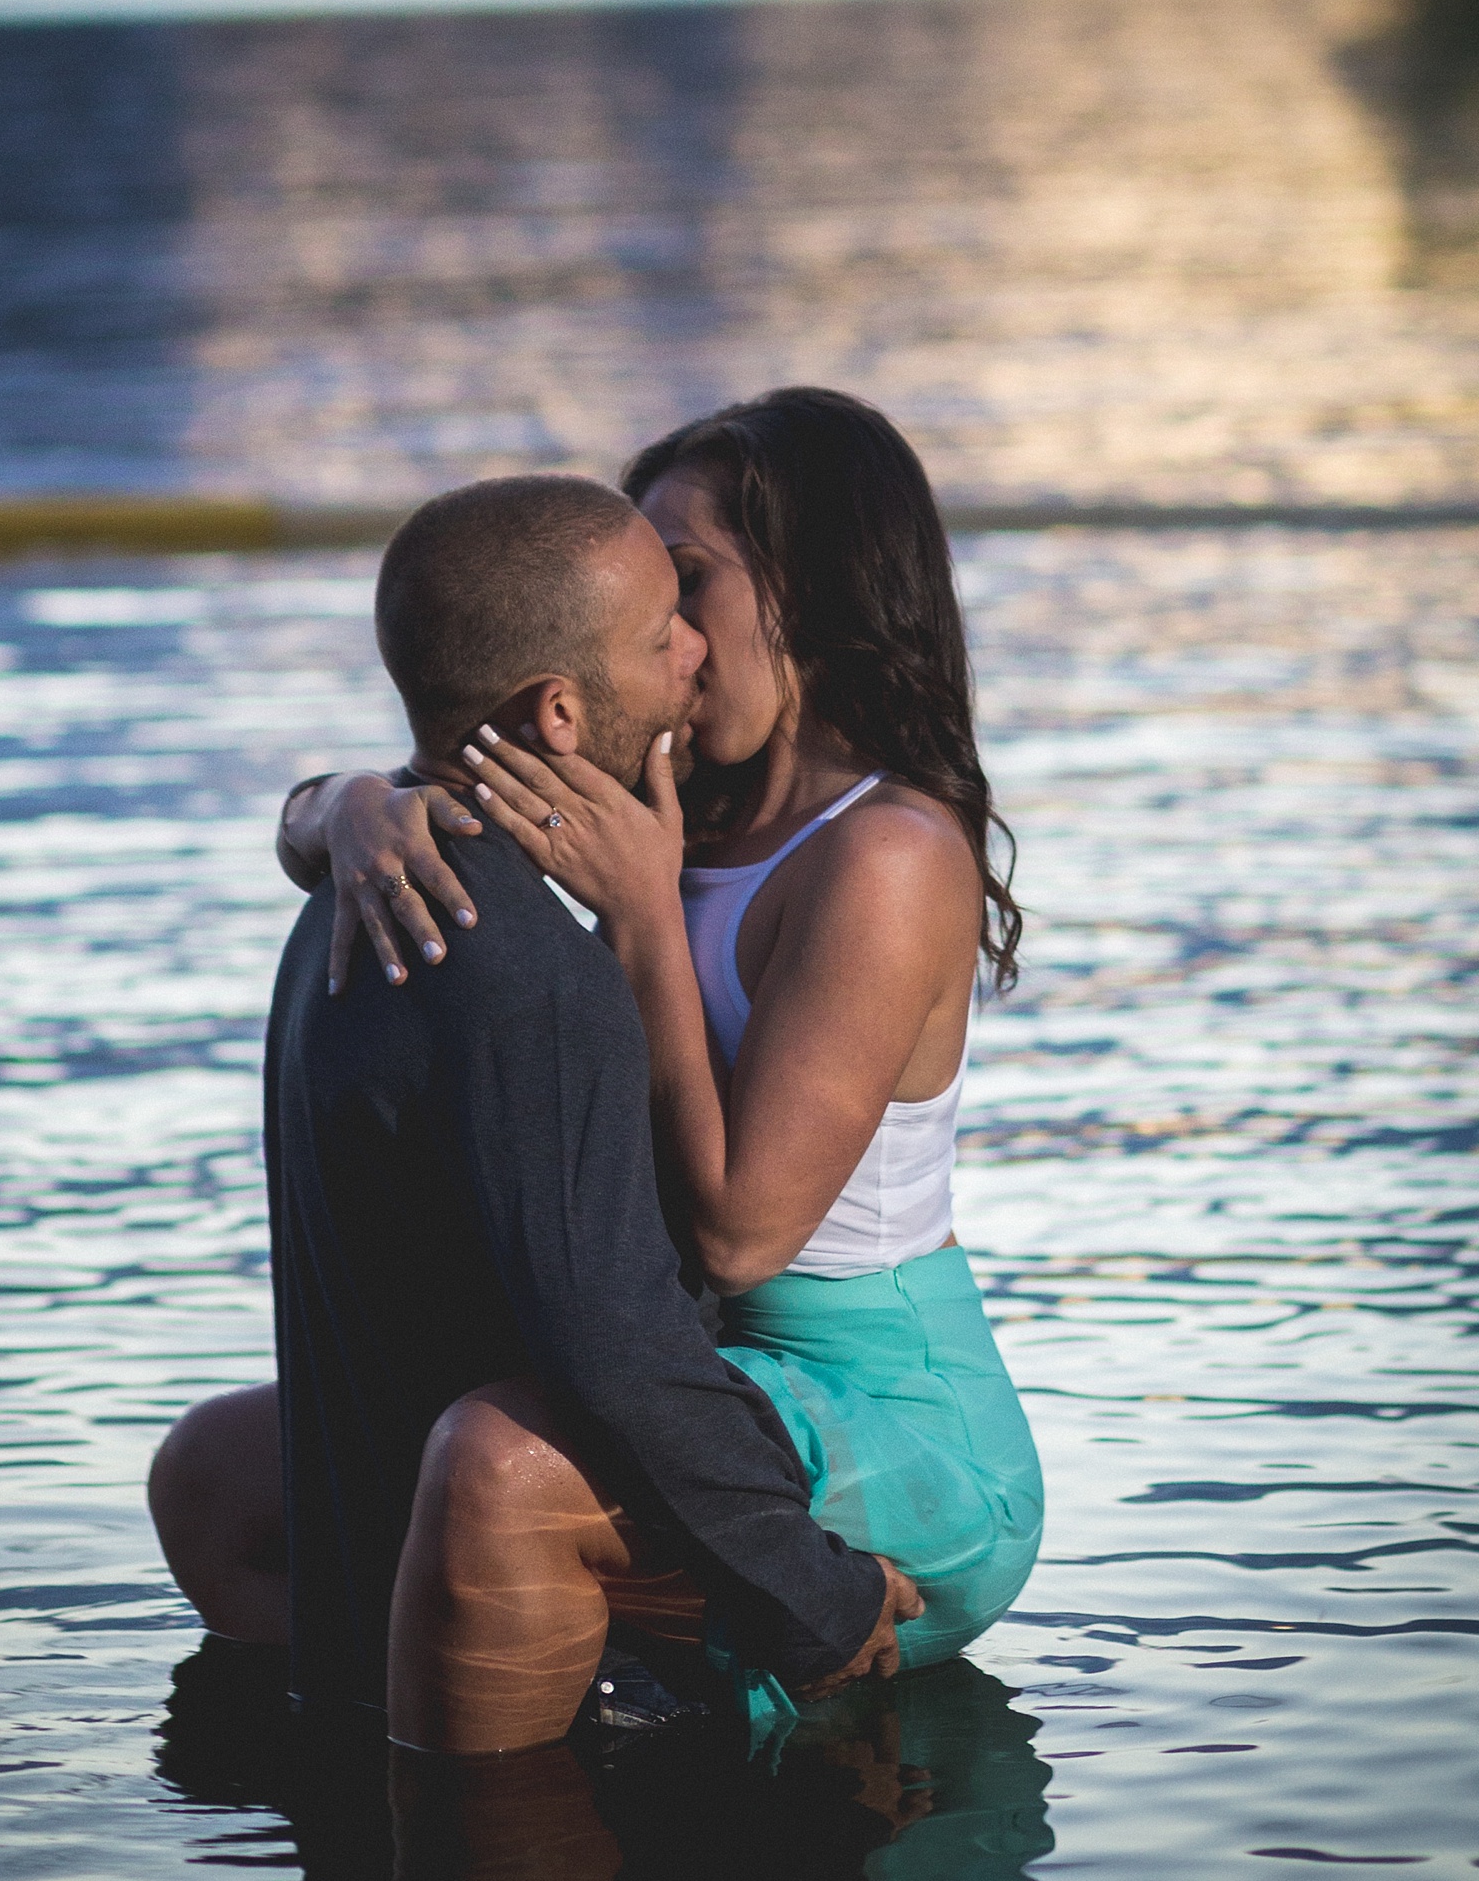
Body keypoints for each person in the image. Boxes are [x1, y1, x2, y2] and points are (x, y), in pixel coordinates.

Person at [272, 389, 1043, 1728]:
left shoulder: (887, 855)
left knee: (490, 1463)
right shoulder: (676, 797)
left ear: (818, 593)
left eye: (692, 584)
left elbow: (742, 1237)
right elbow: (481, 722)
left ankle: (500, 1876)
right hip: (694, 1385)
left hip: (885, 1420)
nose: (676, 639)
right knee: (226, 1475)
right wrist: (346, 807)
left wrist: (643, 919)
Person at [151, 468, 914, 1753]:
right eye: (663, 630)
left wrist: (333, 803)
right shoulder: (522, 972)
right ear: (559, 710)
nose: (692, 656)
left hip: (358, 1627)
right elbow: (616, 1350)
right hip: (510, 1659)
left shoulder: (344, 906)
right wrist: (816, 1597)